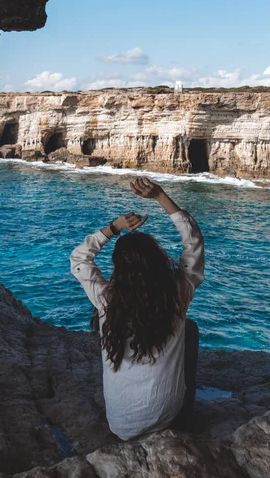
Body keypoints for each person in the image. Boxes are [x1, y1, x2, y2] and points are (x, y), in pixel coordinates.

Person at [70, 178, 204, 441]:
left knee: (103, 321)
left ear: (118, 266)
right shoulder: (178, 292)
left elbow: (79, 259)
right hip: (166, 417)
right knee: (189, 328)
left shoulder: (106, 299)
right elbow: (194, 242)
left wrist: (113, 228)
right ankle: (186, 409)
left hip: (119, 424)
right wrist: (160, 196)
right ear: (157, 260)